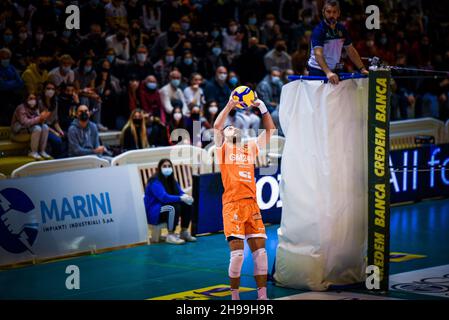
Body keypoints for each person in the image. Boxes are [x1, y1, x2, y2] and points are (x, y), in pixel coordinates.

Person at [213, 95, 276, 300]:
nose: (232, 128)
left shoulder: (249, 148)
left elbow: (270, 131)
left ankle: (262, 296)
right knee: (238, 255)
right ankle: (235, 297)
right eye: (229, 128)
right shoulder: (223, 149)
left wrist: (263, 109)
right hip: (232, 205)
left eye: (234, 127)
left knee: (261, 255)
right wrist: (230, 104)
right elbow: (216, 125)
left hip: (252, 205)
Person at [307, 0, 368, 84]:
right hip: (317, 70)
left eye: (334, 12)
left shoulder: (342, 29)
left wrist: (362, 68)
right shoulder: (319, 30)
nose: (331, 15)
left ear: (338, 13)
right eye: (328, 12)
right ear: (323, 13)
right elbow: (318, 54)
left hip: (334, 71)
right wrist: (328, 72)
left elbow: (350, 50)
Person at [144, 158, 196, 244]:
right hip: (154, 211)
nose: (167, 168)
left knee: (187, 204)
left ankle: (184, 231)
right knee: (173, 207)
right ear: (159, 168)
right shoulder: (154, 181)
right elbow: (164, 198)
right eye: (164, 166)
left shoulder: (171, 179)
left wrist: (187, 197)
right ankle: (170, 234)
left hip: (165, 208)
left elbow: (180, 192)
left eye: (169, 166)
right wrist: (180, 198)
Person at [11, 93, 51, 160]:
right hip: (19, 132)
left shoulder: (36, 108)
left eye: (34, 99)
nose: (33, 100)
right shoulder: (21, 108)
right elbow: (25, 122)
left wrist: (43, 118)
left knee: (45, 127)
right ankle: (33, 152)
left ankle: (42, 151)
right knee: (37, 128)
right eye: (30, 98)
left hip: (29, 130)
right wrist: (39, 118)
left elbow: (38, 121)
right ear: (26, 99)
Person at [38, 81, 66, 158]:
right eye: (48, 88)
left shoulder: (55, 102)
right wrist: (55, 132)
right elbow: (41, 122)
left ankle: (62, 158)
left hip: (52, 126)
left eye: (53, 89)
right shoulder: (39, 102)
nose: (51, 91)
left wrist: (60, 131)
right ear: (44, 90)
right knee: (58, 141)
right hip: (43, 127)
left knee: (65, 136)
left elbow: (55, 121)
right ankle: (56, 158)